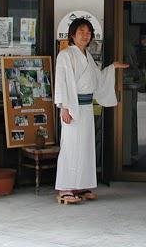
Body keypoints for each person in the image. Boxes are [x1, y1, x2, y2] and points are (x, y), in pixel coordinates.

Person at [54, 17, 128, 204]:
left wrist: (112, 68)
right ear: (72, 34)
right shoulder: (65, 55)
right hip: (72, 106)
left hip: (86, 108)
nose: (86, 36)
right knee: (70, 147)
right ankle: (65, 188)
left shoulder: (88, 57)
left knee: (86, 147)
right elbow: (61, 83)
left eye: (88, 33)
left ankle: (81, 185)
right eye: (81, 32)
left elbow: (98, 79)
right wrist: (63, 107)